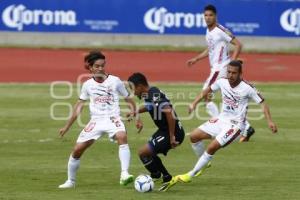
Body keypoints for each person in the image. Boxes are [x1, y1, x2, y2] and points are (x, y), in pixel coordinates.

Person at [167, 60, 277, 189]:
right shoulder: (222, 81)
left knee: (212, 147)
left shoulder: (248, 88)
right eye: (229, 72)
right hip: (221, 120)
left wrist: (269, 121)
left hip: (235, 126)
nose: (230, 75)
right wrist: (194, 103)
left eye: (234, 73)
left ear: (241, 73)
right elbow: (207, 90)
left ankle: (190, 174)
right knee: (194, 136)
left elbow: (263, 103)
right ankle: (204, 163)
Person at [58, 50, 142, 188]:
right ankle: (70, 181)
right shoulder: (87, 85)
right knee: (77, 149)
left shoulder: (115, 81)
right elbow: (79, 107)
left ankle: (124, 174)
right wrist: (66, 127)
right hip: (95, 121)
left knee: (122, 136)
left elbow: (129, 99)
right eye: (97, 66)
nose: (100, 69)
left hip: (113, 118)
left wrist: (137, 117)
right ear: (90, 68)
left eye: (103, 65)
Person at [186, 5, 254, 141]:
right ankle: (245, 127)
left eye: (210, 15)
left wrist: (232, 64)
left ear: (215, 16)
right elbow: (210, 49)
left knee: (206, 95)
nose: (208, 17)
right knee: (227, 98)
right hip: (216, 68)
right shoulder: (209, 31)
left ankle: (222, 127)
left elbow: (238, 45)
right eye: (205, 15)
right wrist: (196, 58)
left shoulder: (220, 30)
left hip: (221, 68)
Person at [127, 72, 185, 192]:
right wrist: (135, 111)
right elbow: (149, 106)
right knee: (148, 153)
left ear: (139, 86)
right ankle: (161, 176)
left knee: (143, 153)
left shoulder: (153, 94)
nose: (133, 92)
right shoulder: (150, 94)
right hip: (165, 131)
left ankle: (162, 176)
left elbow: (169, 112)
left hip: (172, 132)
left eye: (133, 89)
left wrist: (172, 136)